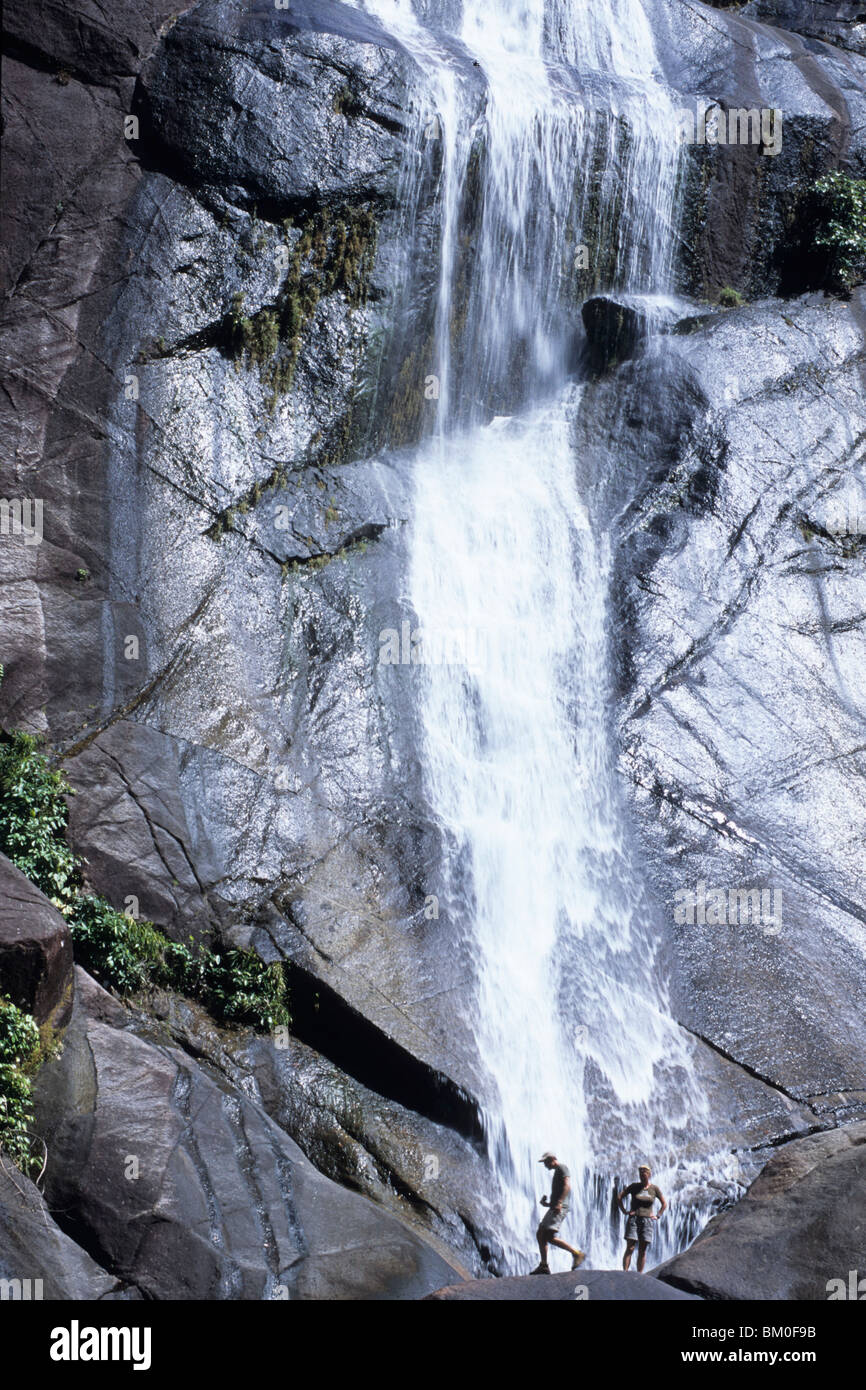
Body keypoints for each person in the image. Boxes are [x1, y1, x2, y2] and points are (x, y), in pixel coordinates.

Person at [530, 1151, 586, 1274]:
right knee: (541, 1233)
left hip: (560, 1207)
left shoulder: (562, 1168)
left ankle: (577, 1254)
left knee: (547, 1235)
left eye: (546, 1162)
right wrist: (548, 1204)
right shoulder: (557, 1171)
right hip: (555, 1207)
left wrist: (559, 1202)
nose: (545, 1165)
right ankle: (544, 1265)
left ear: (552, 1159)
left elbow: (567, 1186)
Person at [617, 1163, 667, 1272]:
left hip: (647, 1221)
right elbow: (619, 1197)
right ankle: (625, 1272)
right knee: (630, 1247)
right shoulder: (634, 1187)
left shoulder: (654, 1189)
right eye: (640, 1175)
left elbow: (664, 1203)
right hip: (634, 1219)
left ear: (649, 1175)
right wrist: (624, 1211)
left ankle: (639, 1274)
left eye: (644, 1175)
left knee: (642, 1250)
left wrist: (658, 1215)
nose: (642, 1177)